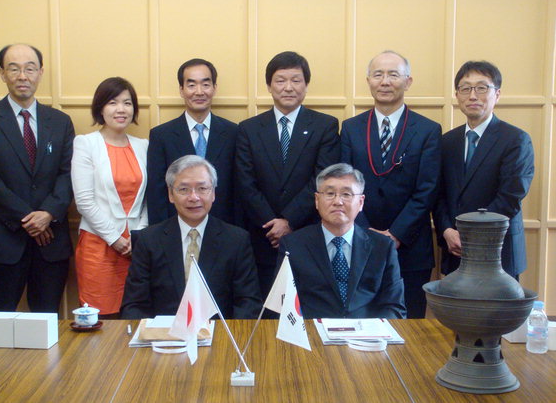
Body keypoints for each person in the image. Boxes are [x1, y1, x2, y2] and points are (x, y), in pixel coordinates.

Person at [0, 44, 75, 314]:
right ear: (2, 74)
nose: (22, 76)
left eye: (29, 68)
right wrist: (30, 219)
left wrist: (48, 213)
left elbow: (67, 174)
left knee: (48, 321)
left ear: (40, 72)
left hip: (50, 240)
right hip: (2, 238)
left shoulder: (60, 121)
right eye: (13, 68)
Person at [340, 51, 441, 318]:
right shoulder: (351, 128)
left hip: (410, 245)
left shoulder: (428, 130)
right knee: (359, 321)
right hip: (359, 242)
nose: (385, 81)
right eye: (378, 74)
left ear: (408, 82)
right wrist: (367, 233)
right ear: (368, 81)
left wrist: (395, 234)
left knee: (409, 325)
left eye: (393, 74)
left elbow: (427, 190)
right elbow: (345, 187)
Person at [235, 51, 340, 298]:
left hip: (307, 233)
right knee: (263, 309)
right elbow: (245, 183)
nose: (288, 87)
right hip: (262, 236)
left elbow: (322, 179)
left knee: (307, 307)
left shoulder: (325, 125)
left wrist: (289, 221)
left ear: (306, 85)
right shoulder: (249, 129)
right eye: (281, 80)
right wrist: (273, 224)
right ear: (269, 86)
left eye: (296, 80)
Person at [120, 155, 261, 319]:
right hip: (165, 338)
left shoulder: (236, 240)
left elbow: (248, 304)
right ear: (171, 195)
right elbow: (134, 305)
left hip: (219, 335)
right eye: (184, 189)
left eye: (202, 188)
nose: (194, 197)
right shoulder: (148, 240)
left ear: (213, 193)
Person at [434, 61, 534, 279]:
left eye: (481, 88)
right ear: (457, 95)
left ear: (497, 94)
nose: (472, 96)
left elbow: (510, 197)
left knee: (496, 313)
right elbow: (438, 194)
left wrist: (469, 235)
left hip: (498, 250)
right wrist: (446, 231)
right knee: (456, 312)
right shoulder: (447, 141)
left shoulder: (516, 140)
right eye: (465, 88)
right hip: (455, 249)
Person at [279, 163, 406, 319]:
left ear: (361, 202)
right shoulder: (293, 245)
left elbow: (394, 306)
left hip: (368, 336)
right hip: (312, 335)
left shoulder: (382, 246)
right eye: (330, 193)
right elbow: (283, 305)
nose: (337, 201)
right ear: (317, 200)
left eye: (346, 194)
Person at [71, 77, 148, 317]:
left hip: (137, 248)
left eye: (127, 103)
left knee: (136, 314)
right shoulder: (86, 144)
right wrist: (115, 238)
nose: (121, 109)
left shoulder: (143, 145)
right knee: (102, 318)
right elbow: (84, 201)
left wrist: (139, 236)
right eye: (113, 102)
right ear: (100, 108)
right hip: (99, 245)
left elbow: (150, 198)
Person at [147, 58, 238, 225]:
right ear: (181, 90)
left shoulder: (234, 133)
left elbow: (239, 190)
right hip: (175, 230)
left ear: (214, 88)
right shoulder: (161, 136)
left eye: (205, 84)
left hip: (224, 231)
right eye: (191, 85)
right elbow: (156, 194)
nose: (199, 92)